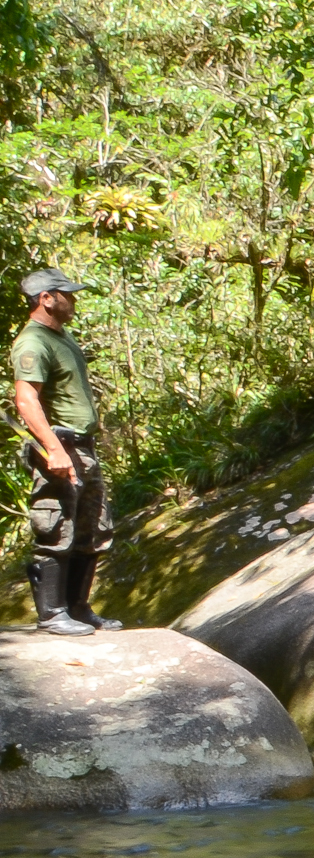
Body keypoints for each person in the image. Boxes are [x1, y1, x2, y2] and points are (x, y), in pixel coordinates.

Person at [12, 268, 121, 635]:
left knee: (92, 529)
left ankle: (77, 607)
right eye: (66, 294)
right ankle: (51, 614)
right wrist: (54, 449)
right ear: (46, 298)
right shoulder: (33, 342)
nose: (73, 300)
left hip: (83, 450)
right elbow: (26, 400)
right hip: (61, 449)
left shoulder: (60, 336)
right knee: (56, 527)